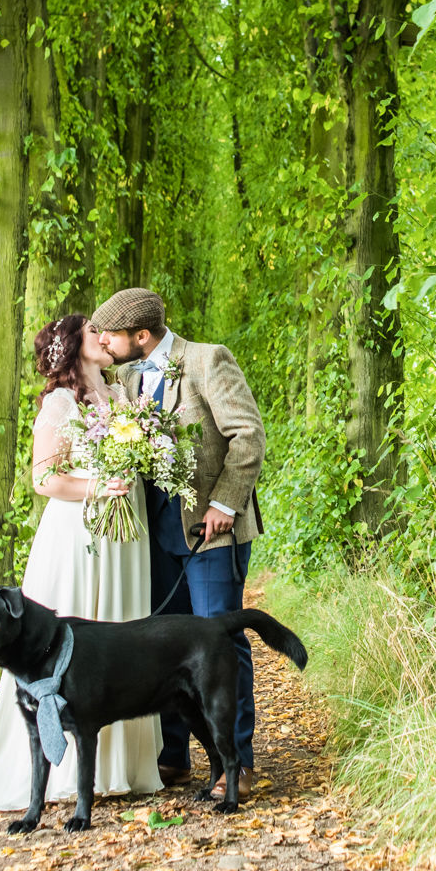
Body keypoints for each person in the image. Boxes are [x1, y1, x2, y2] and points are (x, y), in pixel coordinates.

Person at [0, 314, 163, 810]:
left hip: (125, 536)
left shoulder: (122, 396)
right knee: (76, 635)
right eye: (95, 333)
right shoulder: (59, 403)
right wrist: (96, 488)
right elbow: (43, 480)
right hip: (79, 534)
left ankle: (120, 766)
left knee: (122, 629)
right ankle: (60, 770)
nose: (106, 339)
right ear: (72, 346)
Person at [91, 288, 265, 801]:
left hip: (212, 533)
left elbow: (247, 435)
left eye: (113, 336)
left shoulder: (208, 360)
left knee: (218, 642)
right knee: (163, 645)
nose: (106, 343)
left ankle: (237, 764)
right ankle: (174, 758)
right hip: (151, 537)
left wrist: (225, 504)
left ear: (141, 336)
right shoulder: (121, 377)